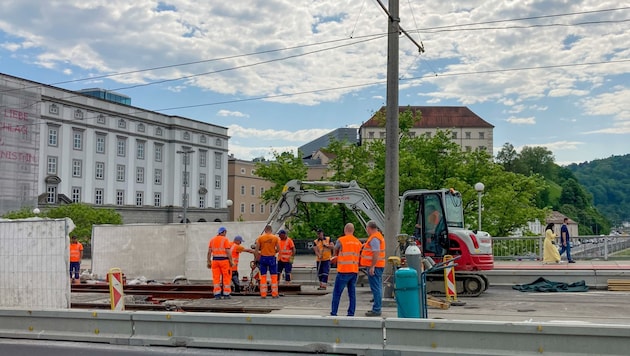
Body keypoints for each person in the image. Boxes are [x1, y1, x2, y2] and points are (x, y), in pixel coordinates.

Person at [330, 223, 362, 317]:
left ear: (345, 230)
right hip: (354, 270)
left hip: (343, 270)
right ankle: (351, 313)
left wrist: (335, 258)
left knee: (337, 293)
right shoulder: (357, 242)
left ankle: (334, 312)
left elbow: (335, 251)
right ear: (353, 231)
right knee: (352, 293)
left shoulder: (341, 240)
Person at [360, 220, 386, 317]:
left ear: (369, 228)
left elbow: (376, 252)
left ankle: (376, 309)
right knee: (378, 287)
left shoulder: (374, 238)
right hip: (378, 265)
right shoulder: (377, 236)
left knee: (376, 288)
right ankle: (377, 307)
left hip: (376, 266)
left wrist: (372, 266)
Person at [207, 226, 234, 299]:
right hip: (224, 261)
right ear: (224, 232)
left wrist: (208, 261)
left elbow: (209, 252)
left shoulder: (212, 240)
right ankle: (226, 294)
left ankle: (217, 294)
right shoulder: (225, 240)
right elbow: (228, 252)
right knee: (226, 277)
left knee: (216, 278)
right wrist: (231, 261)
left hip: (215, 261)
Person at [255, 225, 280, 298]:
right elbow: (278, 249)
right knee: (274, 276)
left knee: (263, 276)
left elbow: (256, 250)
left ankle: (263, 294)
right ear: (271, 230)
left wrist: (256, 258)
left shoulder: (260, 238)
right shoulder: (275, 238)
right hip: (271, 258)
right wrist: (274, 251)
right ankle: (274, 294)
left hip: (263, 258)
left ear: (265, 230)